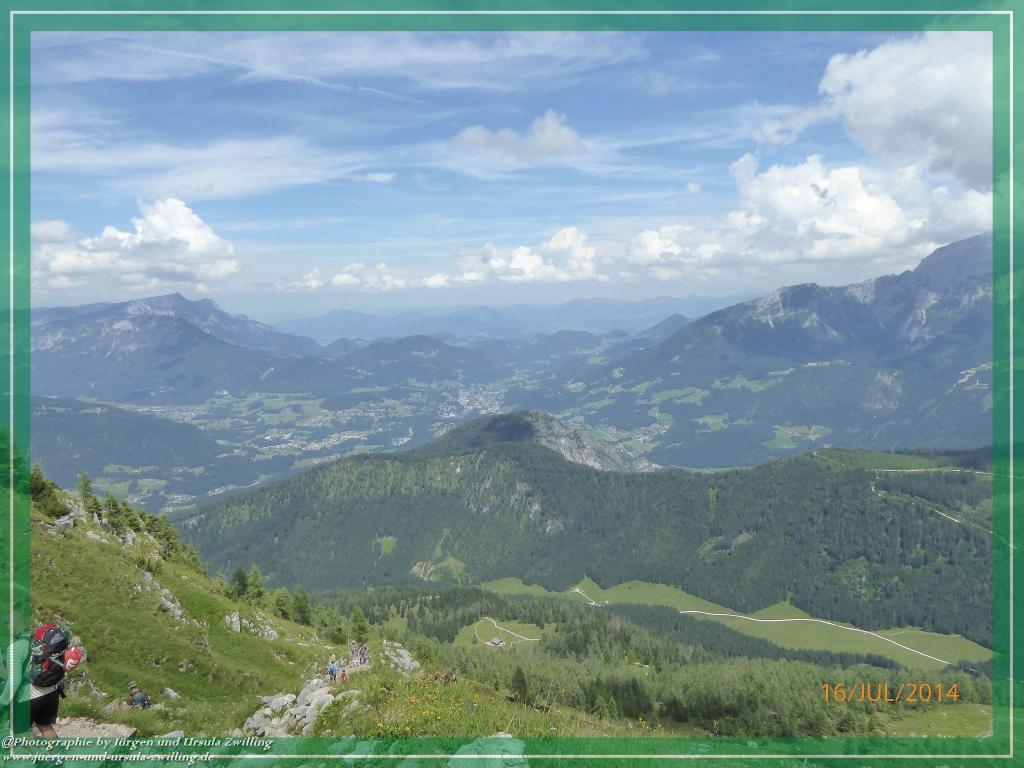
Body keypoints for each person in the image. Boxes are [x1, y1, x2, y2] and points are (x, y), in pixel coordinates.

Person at [1, 622, 83, 739]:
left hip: (30, 696)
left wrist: (3, 702)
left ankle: (38, 755)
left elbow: (14, 681)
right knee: (45, 727)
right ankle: (58, 756)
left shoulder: (15, 648)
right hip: (51, 692)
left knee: (20, 734)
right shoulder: (39, 640)